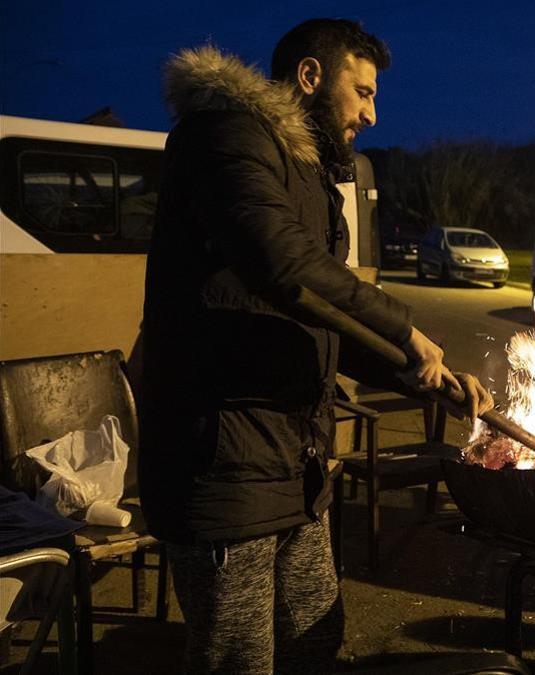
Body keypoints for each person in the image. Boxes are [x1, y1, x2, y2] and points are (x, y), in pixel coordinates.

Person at [139, 19, 493, 673]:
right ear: (310, 77)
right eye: (361, 92)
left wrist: (420, 370)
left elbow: (319, 322)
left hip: (296, 469)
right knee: (238, 659)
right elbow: (281, 261)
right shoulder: (226, 136)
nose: (372, 113)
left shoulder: (311, 179)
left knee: (314, 645)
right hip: (222, 465)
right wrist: (404, 327)